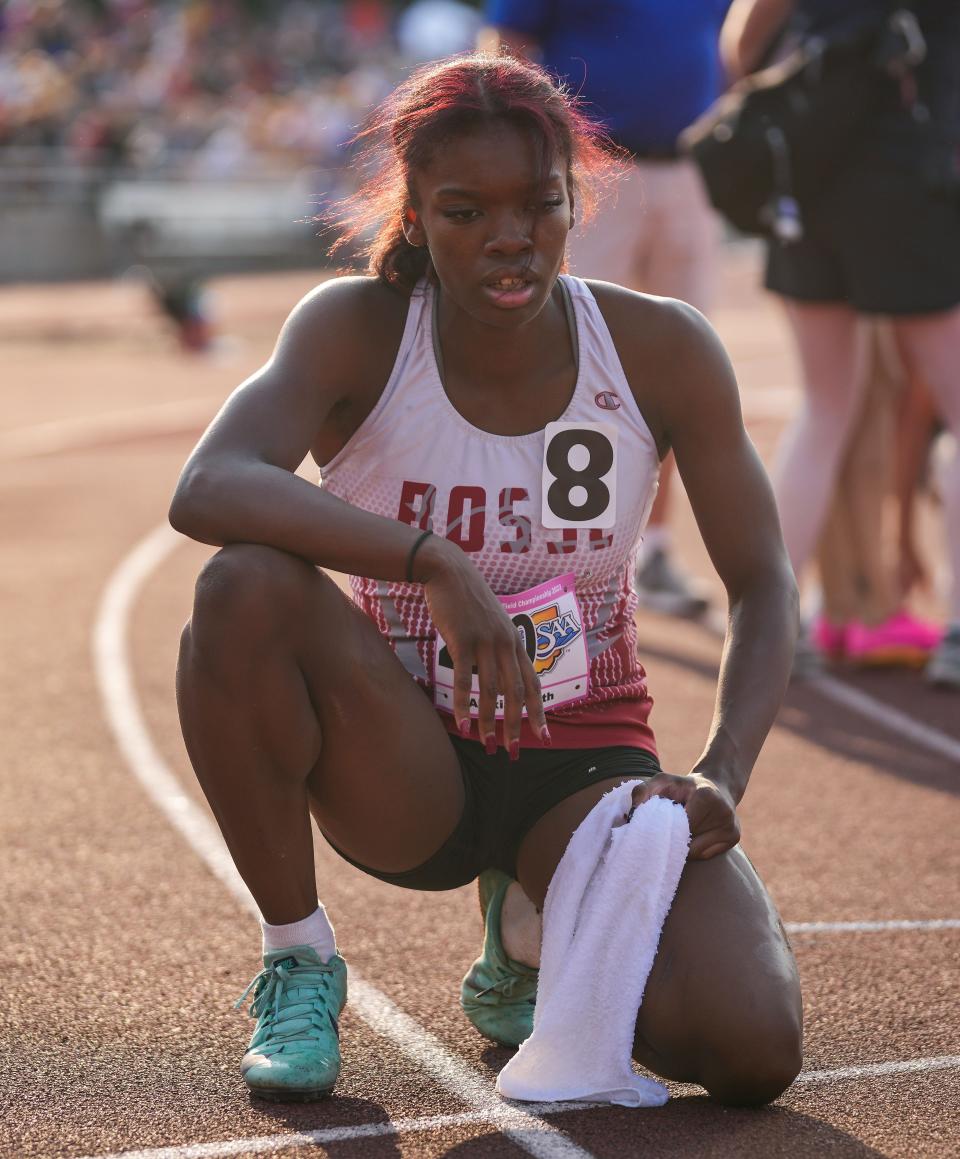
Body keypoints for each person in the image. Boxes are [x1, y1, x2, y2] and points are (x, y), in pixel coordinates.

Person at [170, 53, 802, 1108]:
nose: (509, 236)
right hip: (406, 757)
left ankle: (523, 920)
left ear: (573, 201)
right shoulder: (359, 331)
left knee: (752, 1048)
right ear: (414, 215)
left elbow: (764, 583)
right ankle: (299, 958)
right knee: (241, 589)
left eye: (538, 205)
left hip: (584, 760)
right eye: (465, 211)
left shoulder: (659, 349)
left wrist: (722, 772)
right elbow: (208, 485)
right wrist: (431, 561)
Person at [722, 0, 960, 688]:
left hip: (811, 176)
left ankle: (770, 626)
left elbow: (741, 42)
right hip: (914, 180)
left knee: (822, 410)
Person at [480, 0, 733, 620]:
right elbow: (507, 43)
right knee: (570, 360)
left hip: (692, 168)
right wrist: (536, 157)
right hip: (595, 170)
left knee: (678, 364)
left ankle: (650, 547)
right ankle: (559, 556)